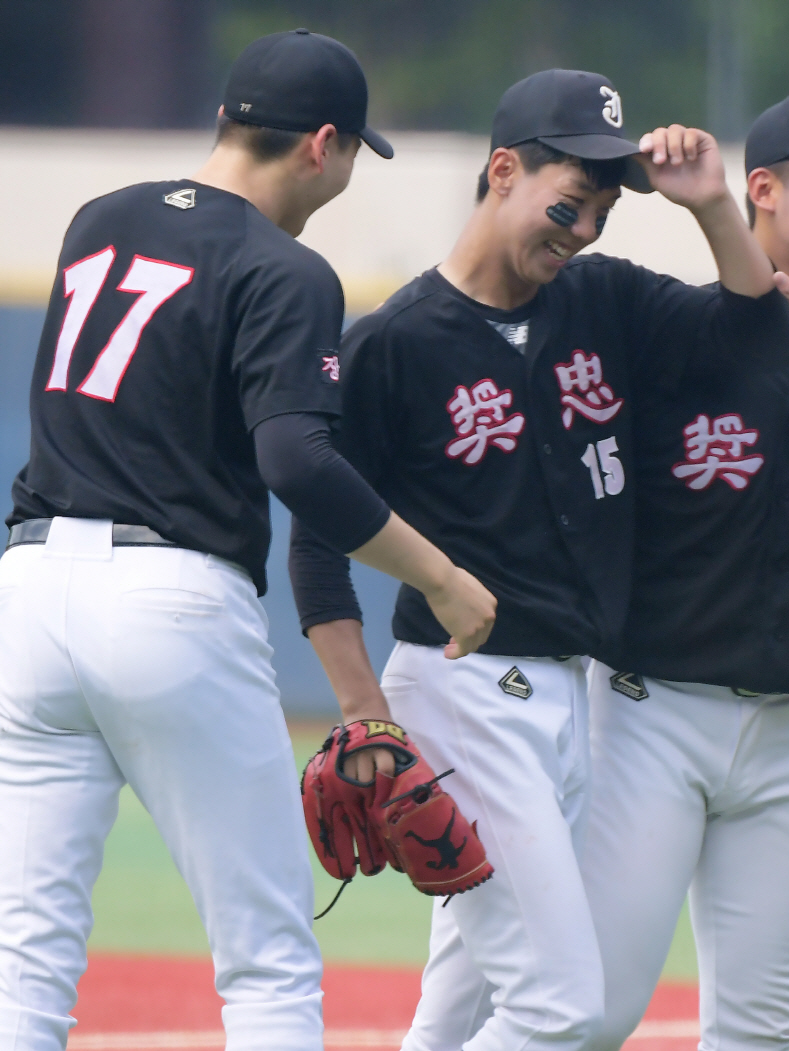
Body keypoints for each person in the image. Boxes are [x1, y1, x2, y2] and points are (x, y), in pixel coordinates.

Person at [0, 30, 494, 1051]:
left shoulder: (100, 219)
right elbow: (299, 464)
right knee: (266, 961)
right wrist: (441, 577)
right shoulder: (286, 267)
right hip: (169, 599)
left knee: (23, 954)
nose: (351, 172)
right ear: (323, 143)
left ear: (229, 120)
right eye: (356, 151)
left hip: (33, 587)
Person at [288, 69, 789, 1051]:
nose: (585, 230)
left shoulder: (600, 299)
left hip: (573, 705)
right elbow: (317, 542)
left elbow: (760, 340)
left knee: (461, 1011)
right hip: (461, 697)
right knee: (564, 1011)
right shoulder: (393, 345)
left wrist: (714, 209)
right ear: (503, 169)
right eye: (570, 203)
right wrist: (366, 714)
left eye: (603, 211)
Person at [580, 88, 789, 1051]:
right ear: (762, 190)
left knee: (760, 1032)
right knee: (590, 1012)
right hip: (648, 720)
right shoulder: (671, 333)